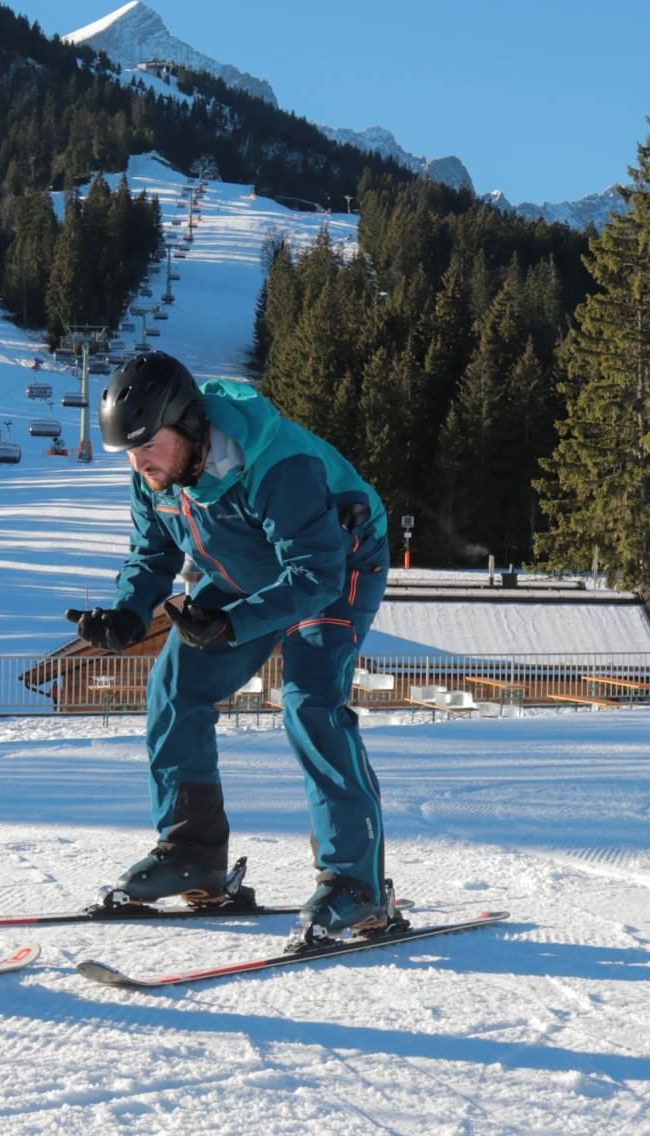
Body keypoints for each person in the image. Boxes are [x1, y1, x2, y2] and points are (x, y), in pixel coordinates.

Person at [71, 352, 393, 945]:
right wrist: (127, 612)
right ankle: (190, 854)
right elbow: (152, 554)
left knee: (310, 704)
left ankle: (356, 885)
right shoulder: (155, 472)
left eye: (149, 446)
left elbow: (315, 575)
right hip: (246, 573)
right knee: (175, 687)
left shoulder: (279, 465)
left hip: (336, 568)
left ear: (188, 426)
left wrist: (232, 623)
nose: (139, 463)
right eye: (129, 452)